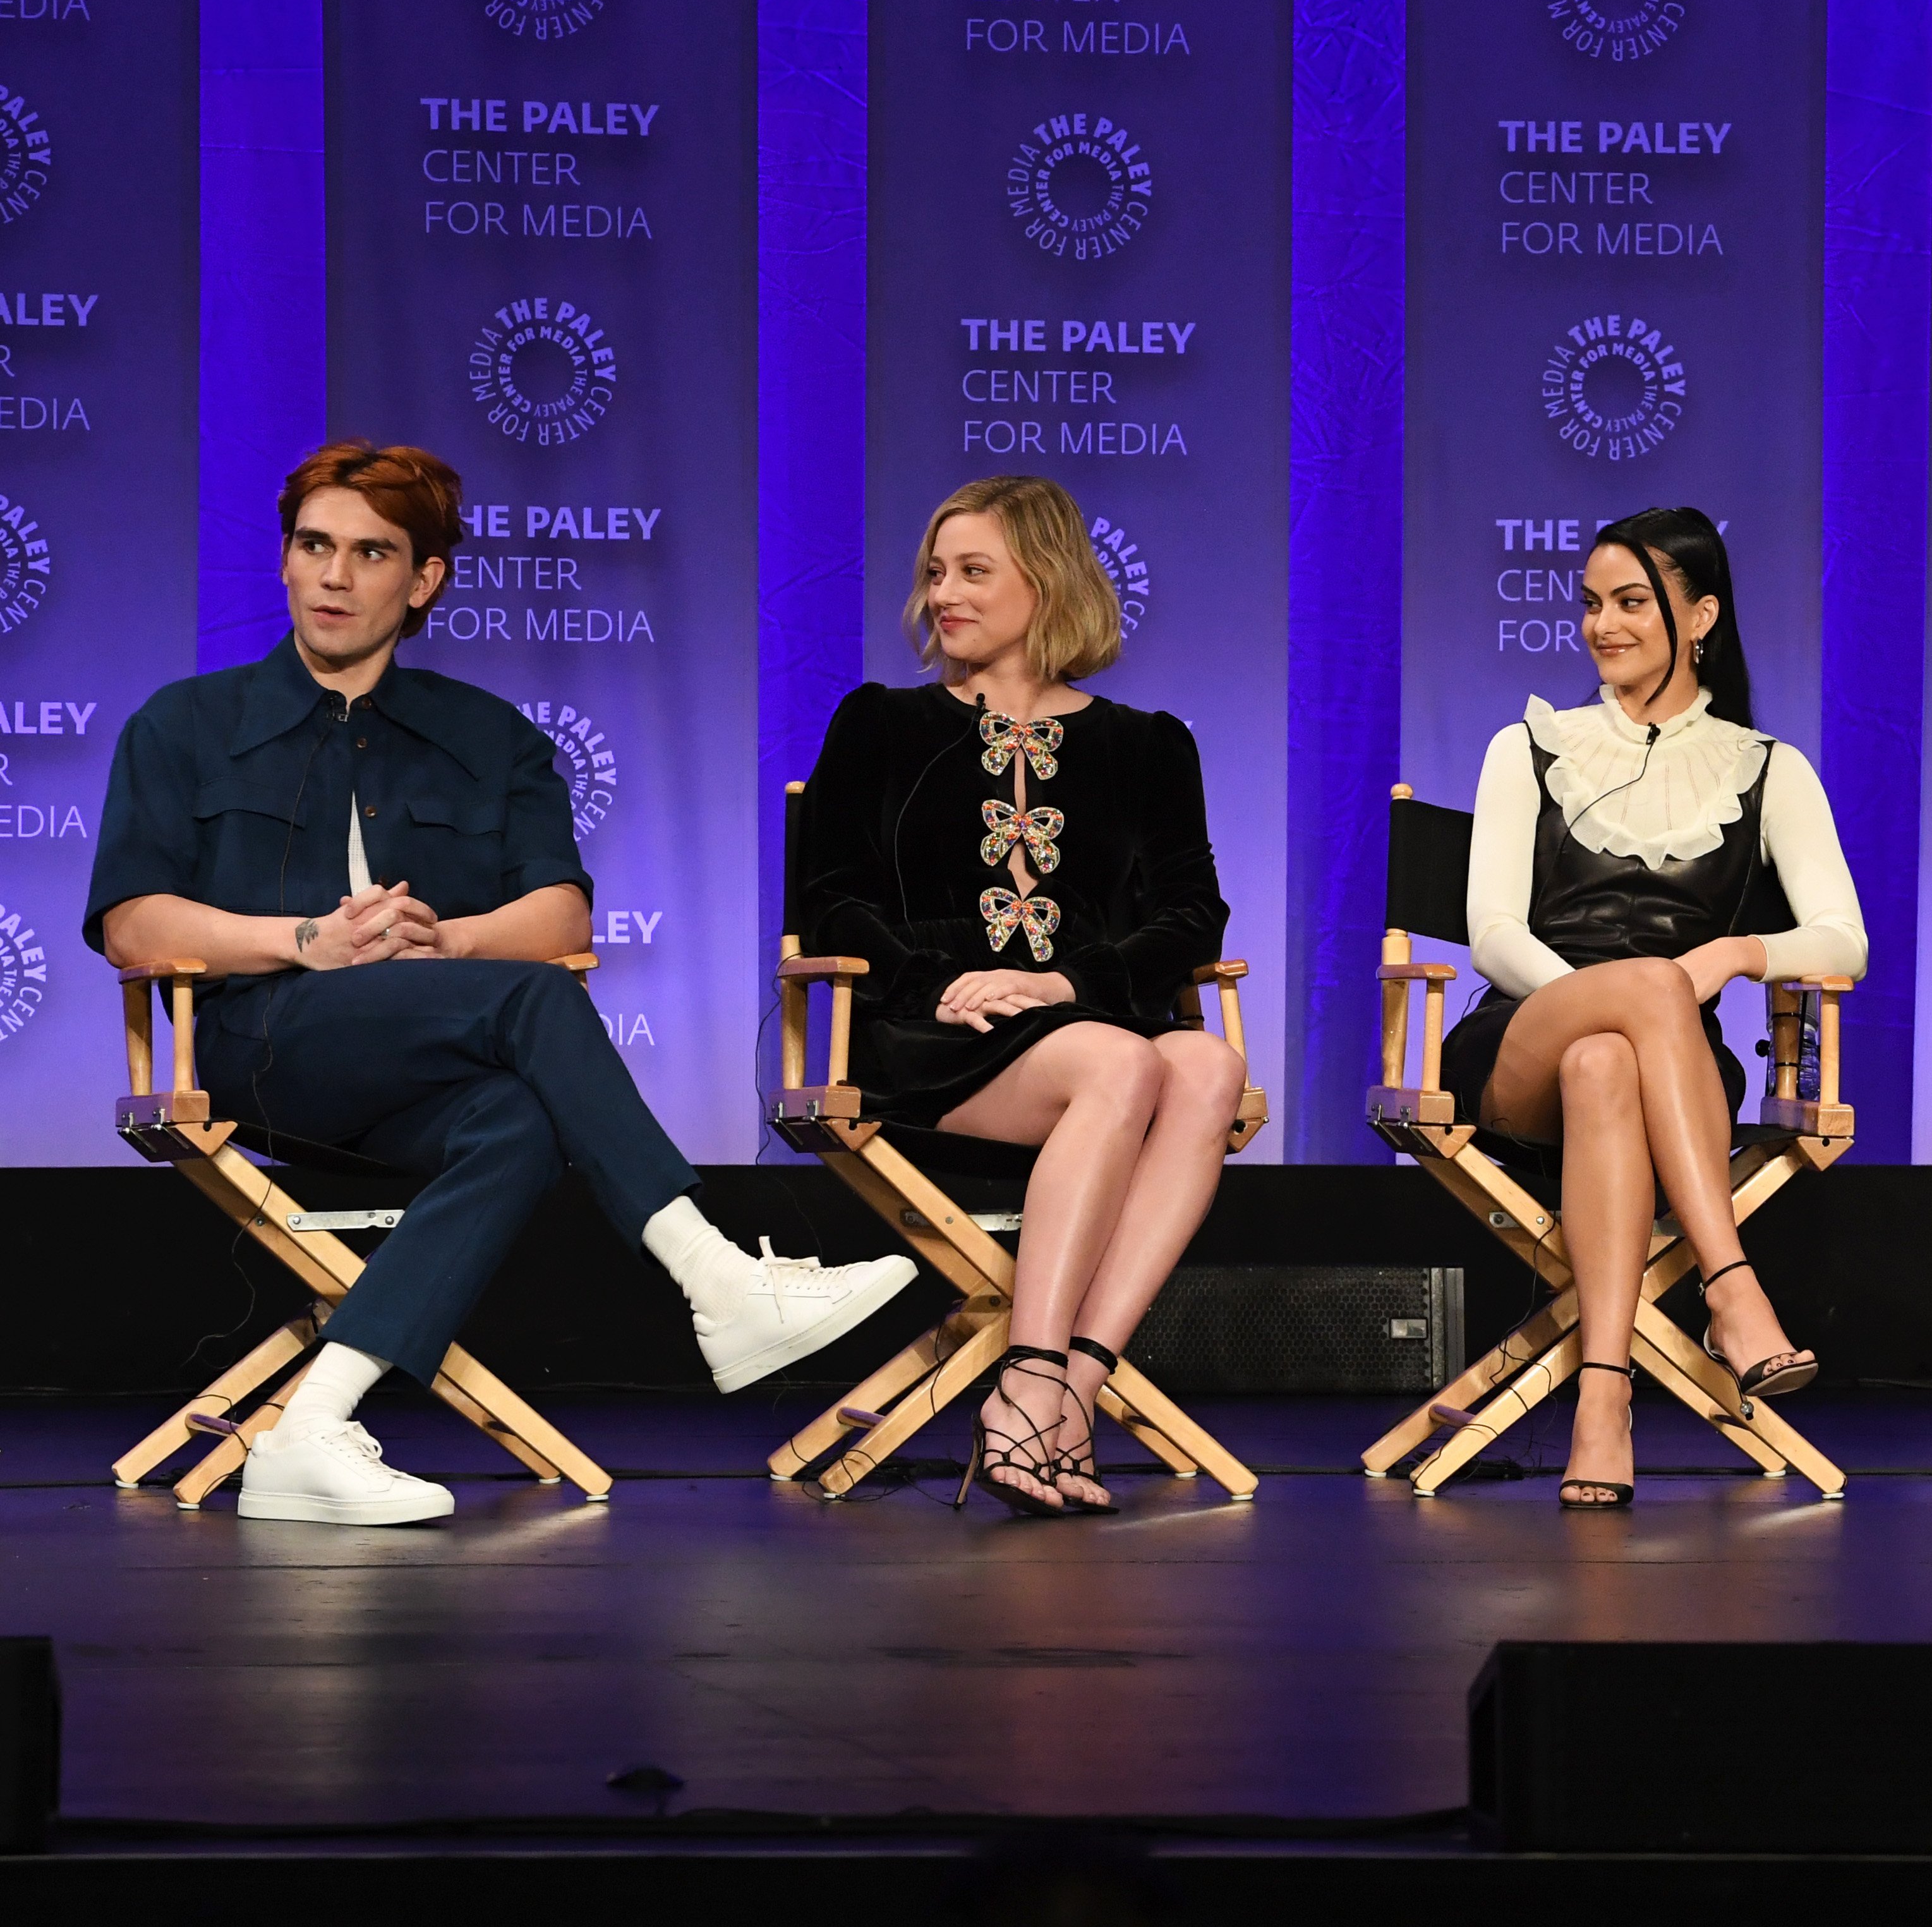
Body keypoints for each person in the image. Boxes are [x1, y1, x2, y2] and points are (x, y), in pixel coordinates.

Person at [86, 440, 916, 1526]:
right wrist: (305, 939)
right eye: (313, 546)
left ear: (423, 579)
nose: (334, 575)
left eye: (371, 552)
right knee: (537, 1001)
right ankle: (716, 1277)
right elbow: (132, 921)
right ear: (286, 563)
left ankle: (311, 1425)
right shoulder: (184, 724)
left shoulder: (488, 737)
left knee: (520, 1119)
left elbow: (560, 916)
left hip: (415, 1063)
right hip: (256, 1044)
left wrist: (451, 942)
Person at [796, 476, 1245, 1516]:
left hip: (1087, 1019)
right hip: (924, 1030)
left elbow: (1193, 915)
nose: (941, 595)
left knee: (1209, 1063)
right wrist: (938, 981)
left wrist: (1067, 980)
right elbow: (829, 902)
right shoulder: (879, 724)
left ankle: (1065, 1392)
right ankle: (1031, 1380)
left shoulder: (1148, 744)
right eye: (934, 574)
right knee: (1125, 1059)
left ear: (1045, 581)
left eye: (972, 571)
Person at [1443, 507, 1868, 1509]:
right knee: (1616, 1019)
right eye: (1591, 603)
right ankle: (1733, 1287)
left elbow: (1843, 938)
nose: (1601, 625)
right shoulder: (1530, 745)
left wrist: (1731, 952)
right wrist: (1612, 997)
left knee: (1611, 1063)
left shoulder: (1766, 767)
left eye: (1631, 602)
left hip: (1663, 1070)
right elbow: (1492, 931)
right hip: (1521, 1035)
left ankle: (1602, 1402)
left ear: (1701, 615)